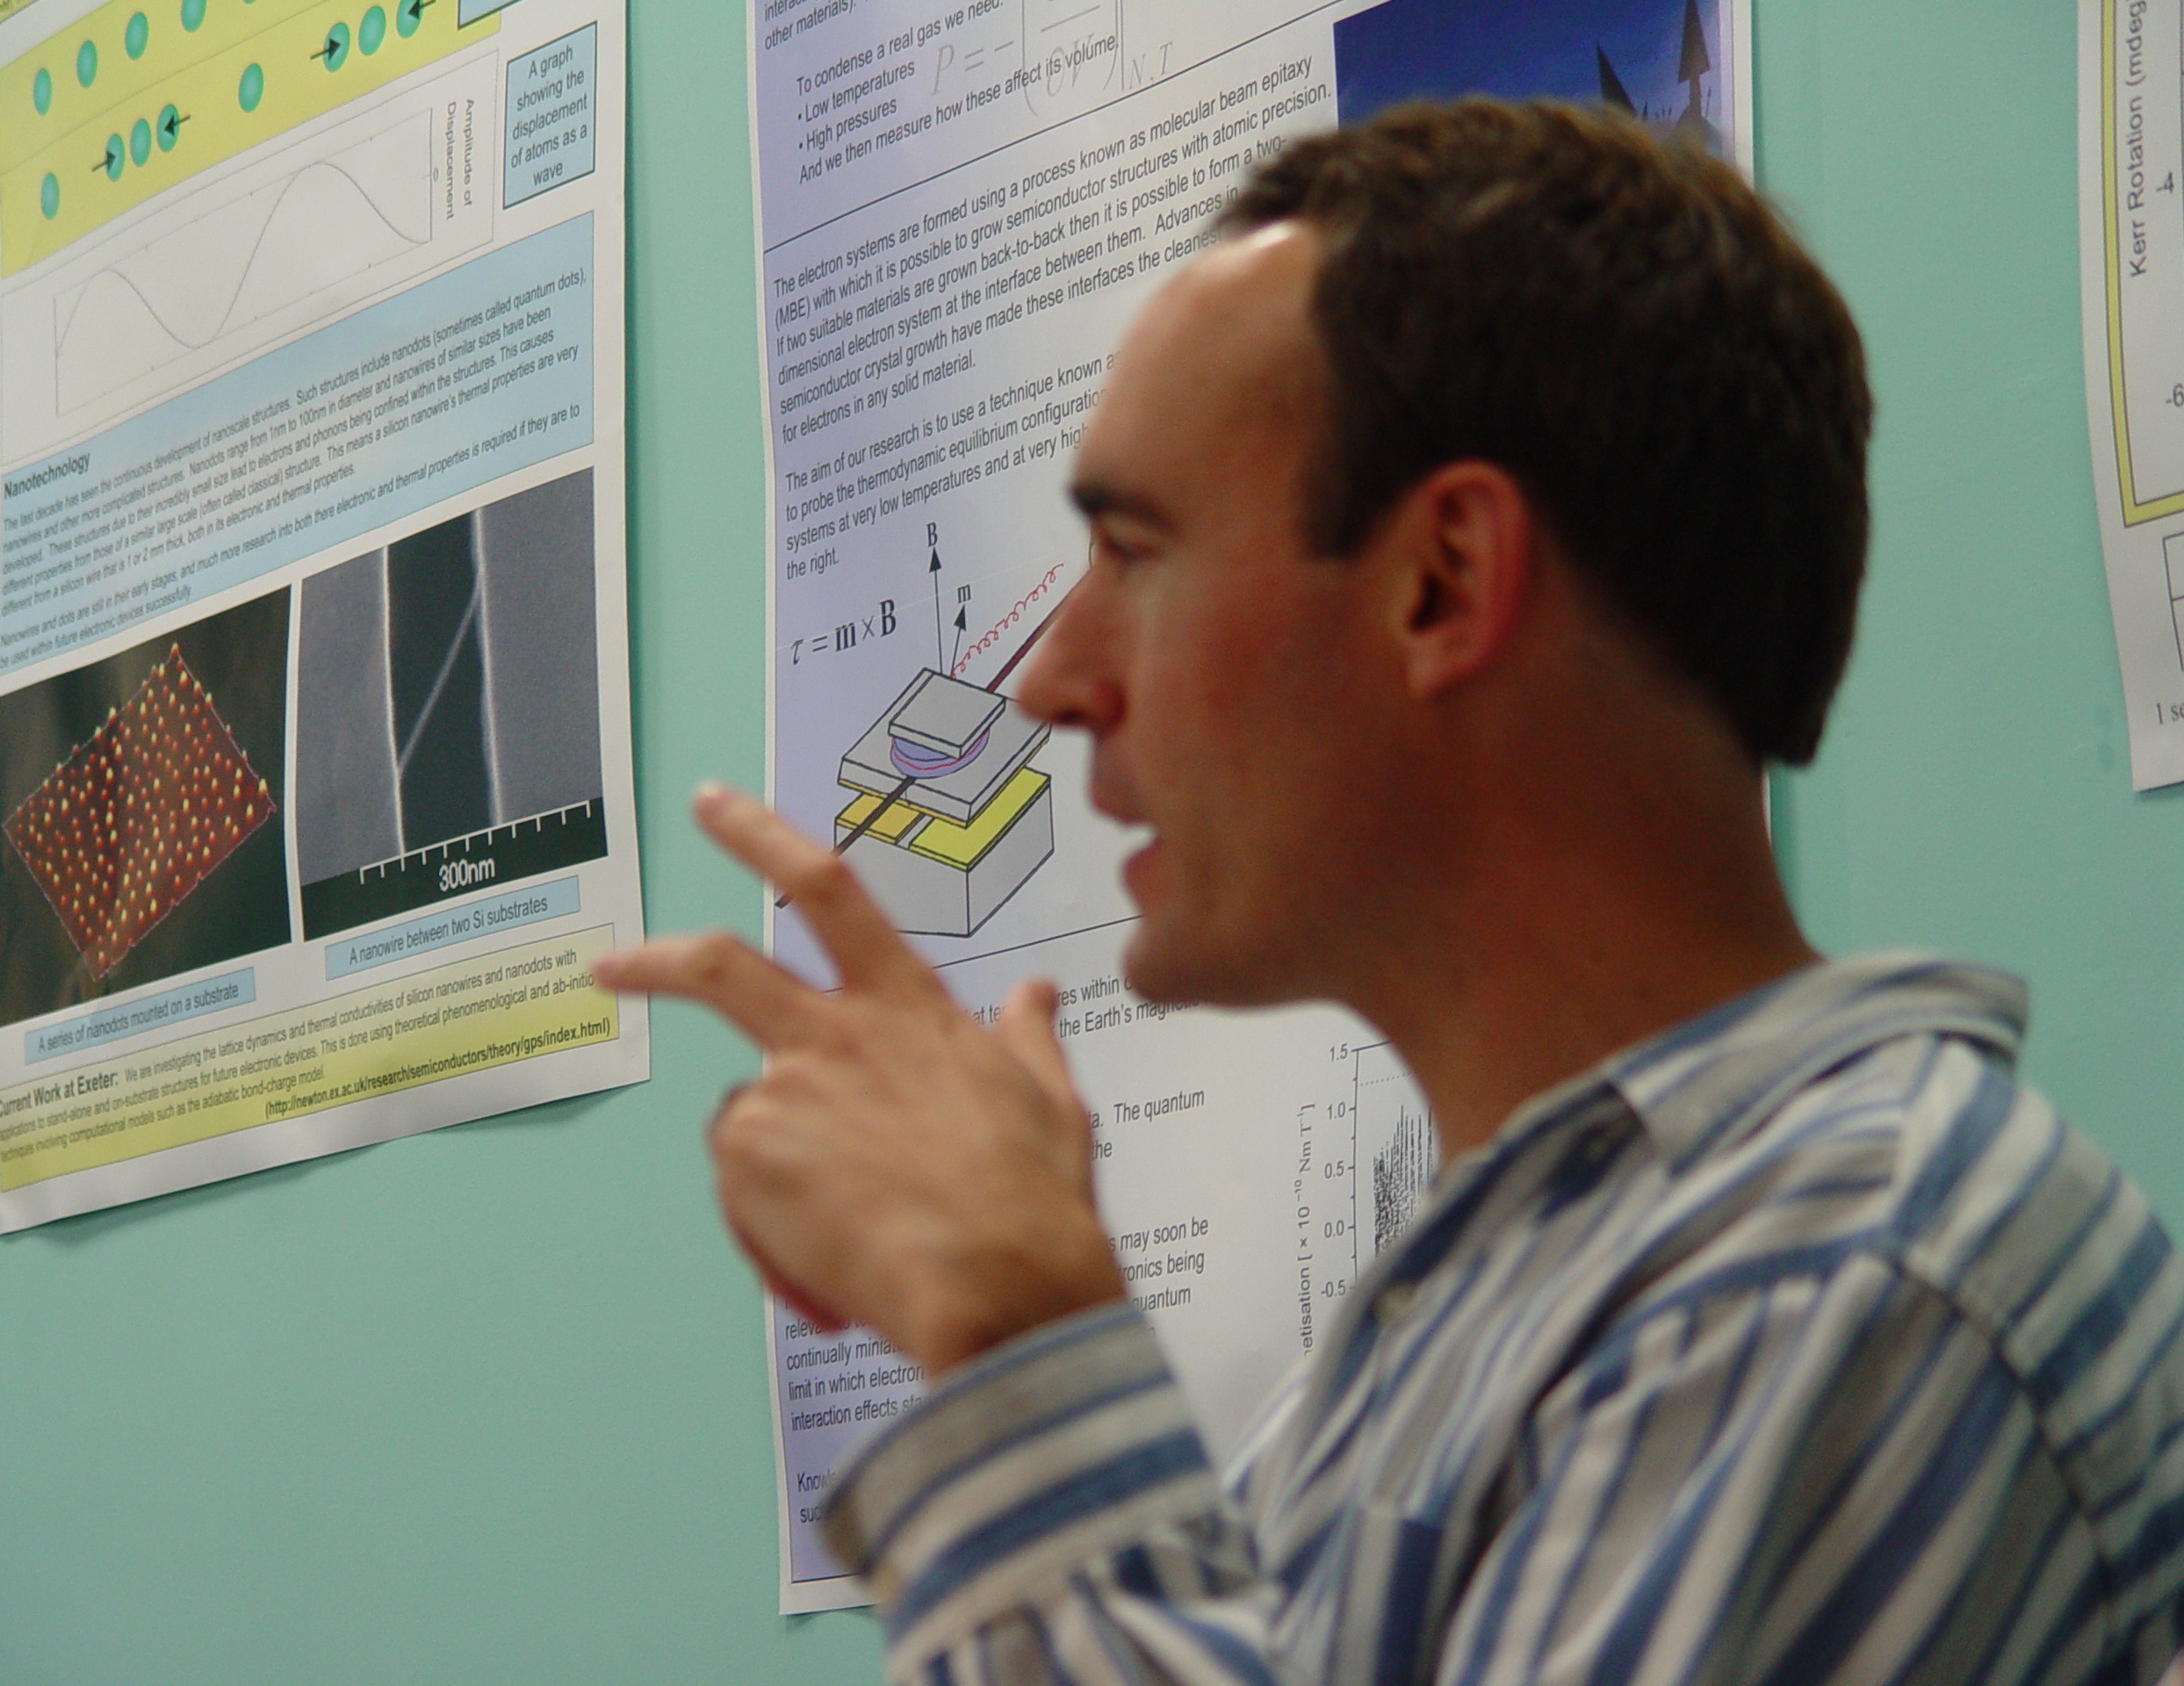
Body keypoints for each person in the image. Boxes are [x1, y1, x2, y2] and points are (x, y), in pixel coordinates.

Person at [595, 101, 2184, 1686]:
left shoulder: (1846, 1272)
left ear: (1445, 583)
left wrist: (1013, 1333)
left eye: (1134, 554)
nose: (1052, 681)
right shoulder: (1482, 1311)